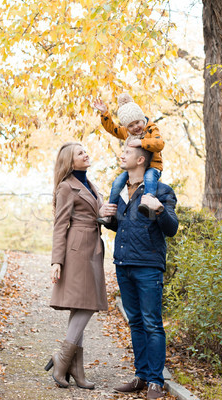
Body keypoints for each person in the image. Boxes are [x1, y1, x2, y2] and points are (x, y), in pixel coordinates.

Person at [98, 145, 179, 399]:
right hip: (123, 264)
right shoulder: (119, 190)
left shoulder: (162, 191)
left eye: (127, 152)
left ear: (141, 159)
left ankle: (156, 381)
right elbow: (123, 228)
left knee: (152, 324)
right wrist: (106, 217)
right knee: (135, 322)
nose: (122, 155)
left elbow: (171, 229)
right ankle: (141, 376)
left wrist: (159, 208)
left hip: (148, 266)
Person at [44, 142, 107, 390]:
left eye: (85, 150)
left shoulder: (89, 184)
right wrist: (56, 261)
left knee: (81, 305)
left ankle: (76, 371)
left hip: (93, 246)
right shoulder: (66, 187)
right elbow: (60, 225)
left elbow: (96, 213)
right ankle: (62, 357)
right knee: (88, 304)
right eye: (80, 153)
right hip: (77, 248)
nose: (86, 154)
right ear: (70, 162)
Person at [93, 93, 165, 221]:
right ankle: (110, 213)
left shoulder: (151, 129)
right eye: (130, 126)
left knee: (149, 179)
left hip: (152, 166)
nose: (135, 127)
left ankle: (148, 204)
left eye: (137, 123)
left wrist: (142, 142)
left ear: (142, 119)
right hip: (134, 170)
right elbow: (112, 129)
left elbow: (159, 144)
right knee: (117, 183)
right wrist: (105, 114)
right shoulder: (127, 133)